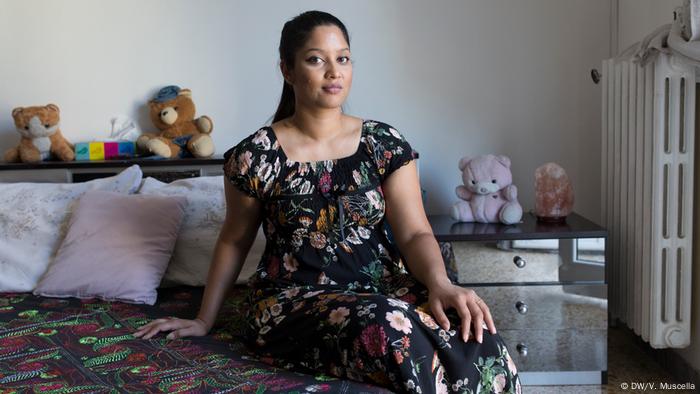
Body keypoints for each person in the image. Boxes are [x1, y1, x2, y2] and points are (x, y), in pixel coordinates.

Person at [134, 10, 521, 394]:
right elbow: (234, 240)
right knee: (390, 326)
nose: (334, 71)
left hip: (380, 286)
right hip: (293, 300)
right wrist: (204, 319)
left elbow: (415, 231)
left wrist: (441, 284)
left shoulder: (382, 144)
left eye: (343, 58)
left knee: (468, 324)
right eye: (316, 59)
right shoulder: (255, 156)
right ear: (287, 70)